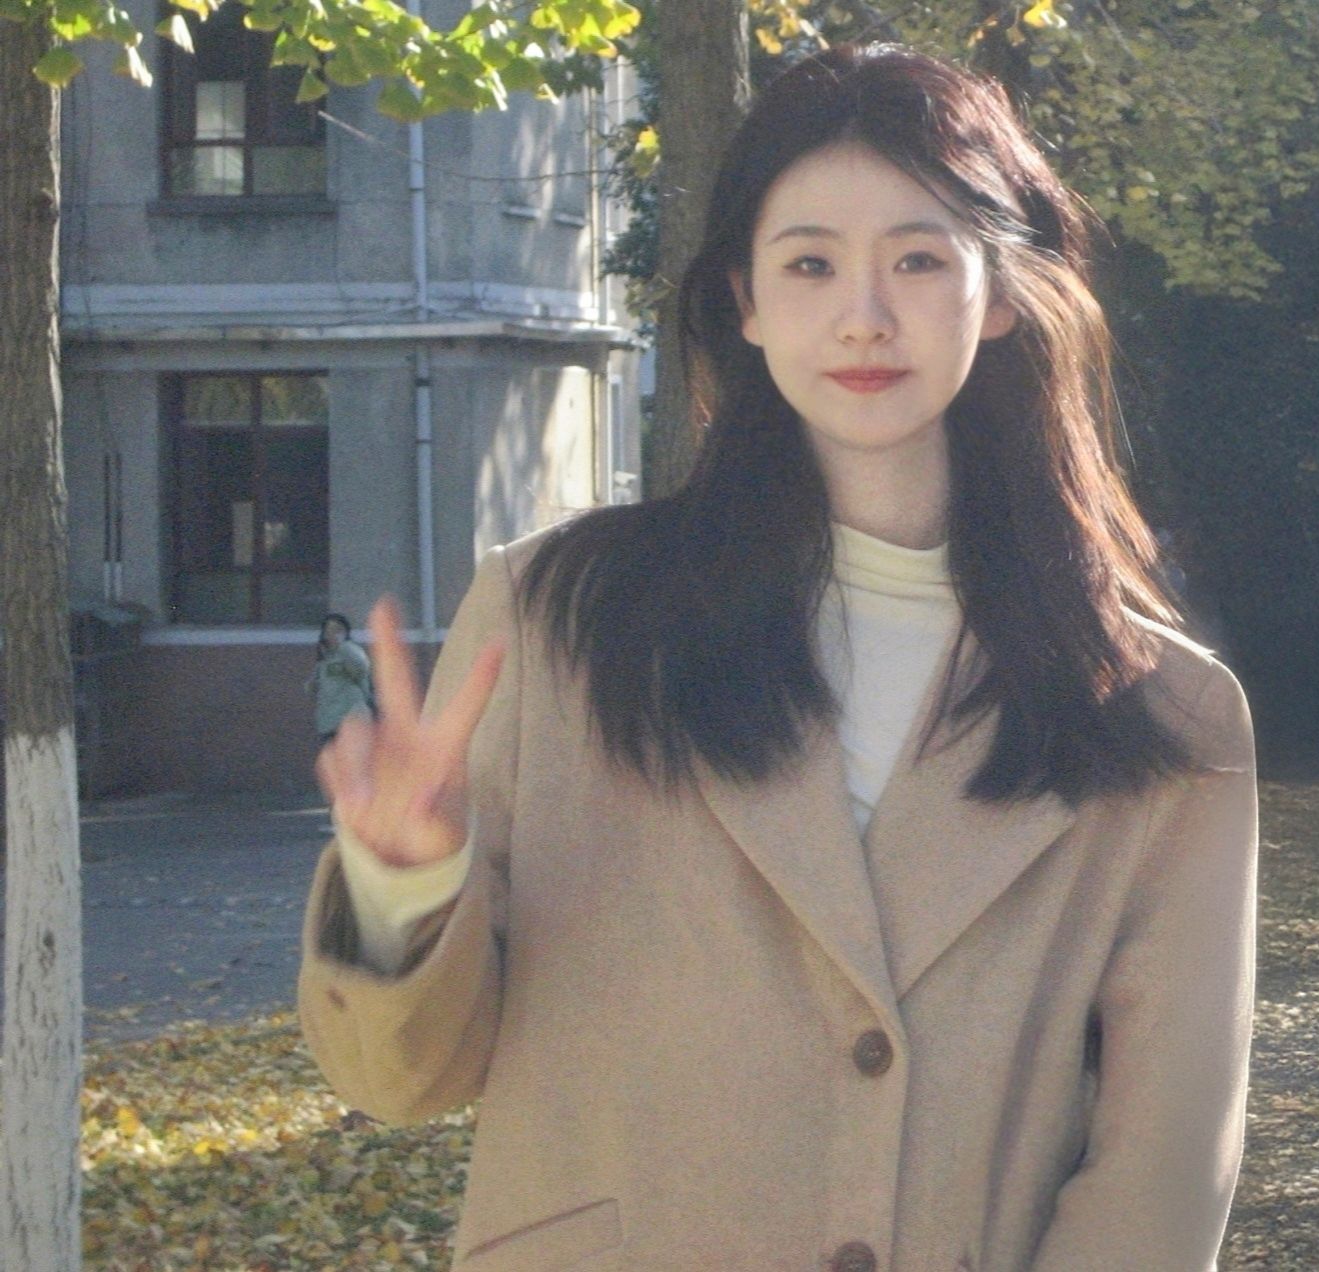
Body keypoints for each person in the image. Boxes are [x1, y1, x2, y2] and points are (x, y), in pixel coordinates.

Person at [299, 43, 1257, 1272]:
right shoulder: (557, 622)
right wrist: (403, 887)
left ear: (1001, 293)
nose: (863, 315)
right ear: (742, 301)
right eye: (809, 263)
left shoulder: (1160, 714)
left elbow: (1160, 1175)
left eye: (917, 260)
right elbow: (399, 1079)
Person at [307, 612, 374, 745]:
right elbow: (313, 686)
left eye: (337, 629)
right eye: (328, 630)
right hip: (329, 721)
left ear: (345, 632)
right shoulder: (325, 658)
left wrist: (346, 662)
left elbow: (362, 673)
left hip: (352, 718)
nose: (332, 633)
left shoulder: (351, 649)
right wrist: (311, 686)